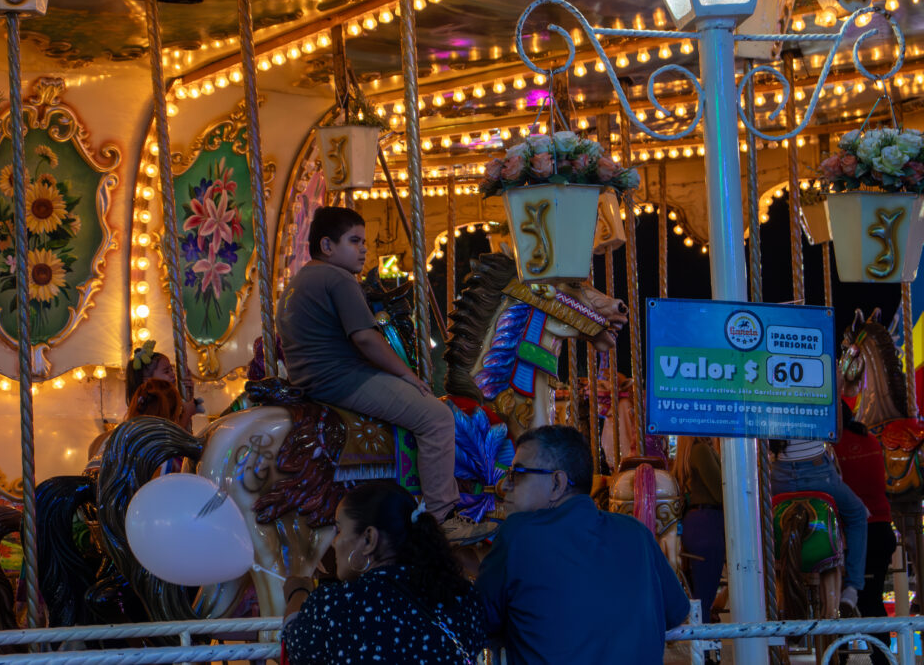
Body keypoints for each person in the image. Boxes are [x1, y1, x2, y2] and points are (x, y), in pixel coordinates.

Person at [275, 206, 494, 544]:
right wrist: (407, 375)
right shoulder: (337, 278)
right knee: (436, 416)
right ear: (327, 245)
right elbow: (365, 337)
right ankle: (443, 517)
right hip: (343, 379)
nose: (363, 249)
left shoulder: (299, 281)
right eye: (354, 241)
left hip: (310, 381)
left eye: (363, 241)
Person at [476, 424, 690, 664]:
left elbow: (479, 620)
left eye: (517, 473)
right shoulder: (637, 533)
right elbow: (676, 612)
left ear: (557, 483)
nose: (505, 485)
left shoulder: (518, 536)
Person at [281, 482, 486, 664]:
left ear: (369, 539)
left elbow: (296, 644)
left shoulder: (335, 606)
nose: (335, 542)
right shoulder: (463, 598)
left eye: (339, 529)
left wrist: (297, 593)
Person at [770, 430, 868, 617]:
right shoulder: (812, 399)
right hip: (818, 472)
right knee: (857, 514)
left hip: (779, 476)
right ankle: (852, 589)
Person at [834, 401, 896, 663]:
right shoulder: (869, 438)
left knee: (847, 604)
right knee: (872, 601)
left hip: (859, 534)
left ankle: (850, 658)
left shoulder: (834, 448)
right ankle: (881, 658)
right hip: (882, 530)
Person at [672, 435, 725, 624]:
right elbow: (720, 492)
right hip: (708, 524)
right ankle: (703, 647)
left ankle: (704, 647)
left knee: (703, 595)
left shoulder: (694, 451)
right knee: (704, 598)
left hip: (700, 523)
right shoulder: (701, 450)